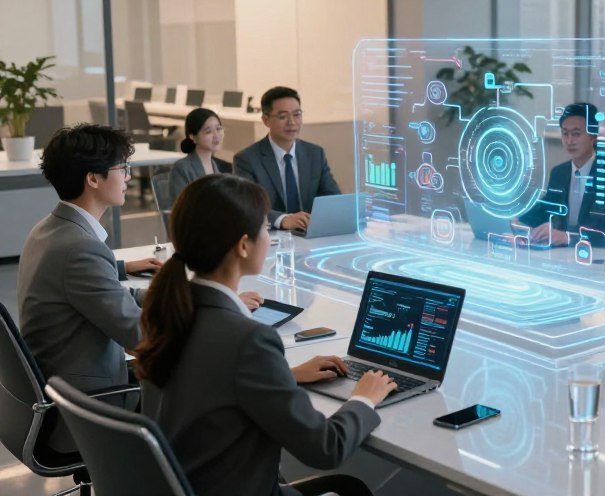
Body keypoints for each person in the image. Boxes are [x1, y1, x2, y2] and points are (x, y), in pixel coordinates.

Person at [135, 174, 396, 496]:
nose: (268, 238)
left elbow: (211, 380)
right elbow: (326, 448)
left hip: (190, 484)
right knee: (350, 489)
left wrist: (286, 375)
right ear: (243, 245)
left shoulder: (170, 313)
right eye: (263, 228)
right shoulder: (249, 340)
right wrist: (364, 398)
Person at [17, 125, 165, 451]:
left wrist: (178, 297)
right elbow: (142, 338)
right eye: (122, 168)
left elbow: (109, 296)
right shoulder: (79, 248)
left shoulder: (50, 228)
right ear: (93, 179)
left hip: (62, 387)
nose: (128, 176)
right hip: (86, 409)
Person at [518, 102, 605, 247]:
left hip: (598, 262)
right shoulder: (559, 173)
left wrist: (568, 237)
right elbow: (544, 209)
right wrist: (517, 218)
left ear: (593, 136)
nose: (569, 141)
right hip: (560, 256)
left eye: (576, 134)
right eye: (565, 133)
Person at [234, 86, 341, 232]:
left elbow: (331, 196)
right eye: (283, 116)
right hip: (271, 238)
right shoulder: (247, 159)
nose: (292, 122)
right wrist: (283, 219)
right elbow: (247, 206)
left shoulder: (315, 154)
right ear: (266, 120)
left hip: (310, 234)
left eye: (297, 114)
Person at [168, 107, 232, 202]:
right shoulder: (181, 168)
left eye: (218, 129)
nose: (216, 135)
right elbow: (182, 208)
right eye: (208, 131)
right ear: (193, 137)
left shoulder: (219, 167)